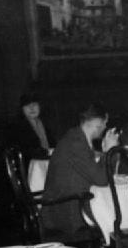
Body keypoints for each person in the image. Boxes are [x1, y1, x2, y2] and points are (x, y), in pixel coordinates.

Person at [41, 102, 119, 240]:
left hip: (69, 204)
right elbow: (102, 179)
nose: (105, 127)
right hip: (67, 212)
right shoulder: (75, 143)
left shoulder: (76, 137)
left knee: (113, 212)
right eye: (105, 122)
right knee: (118, 216)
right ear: (97, 122)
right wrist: (110, 151)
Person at [12, 92, 54, 163]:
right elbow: (28, 151)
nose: (31, 108)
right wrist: (48, 152)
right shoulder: (18, 127)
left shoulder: (46, 123)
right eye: (27, 105)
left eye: (34, 104)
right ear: (22, 109)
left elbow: (53, 145)